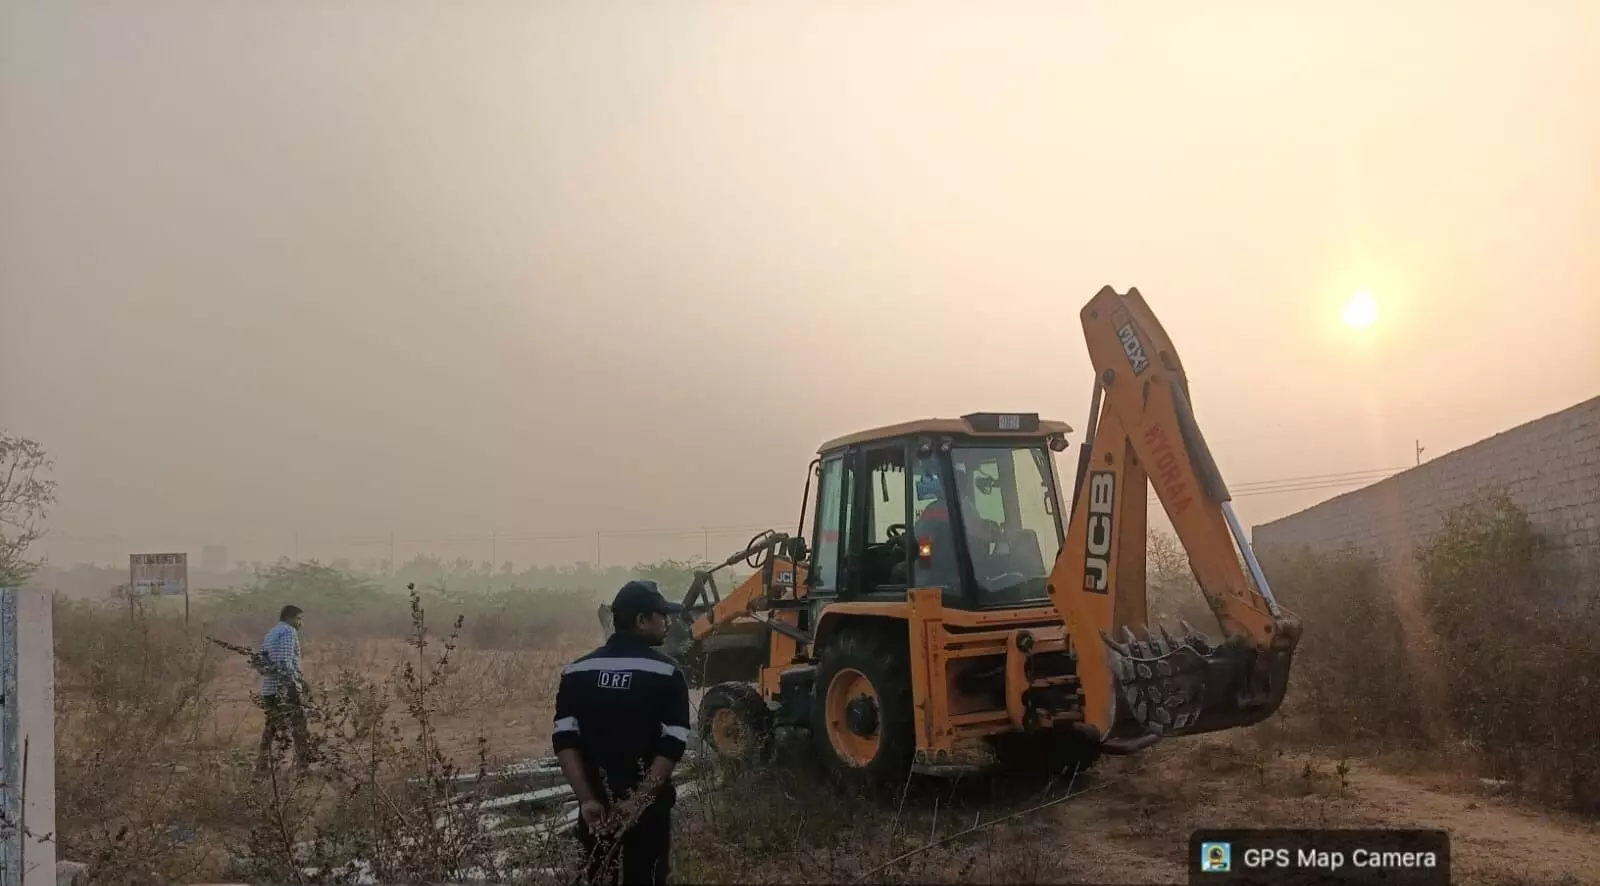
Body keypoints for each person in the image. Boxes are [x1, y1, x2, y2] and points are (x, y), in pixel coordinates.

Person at [553, 580, 692, 886]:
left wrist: (587, 799)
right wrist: (637, 802)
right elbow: (673, 743)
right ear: (642, 620)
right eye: (662, 615)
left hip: (595, 815)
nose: (668, 623)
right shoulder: (666, 673)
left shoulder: (576, 672)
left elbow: (565, 740)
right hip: (648, 814)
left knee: (598, 877)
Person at [255, 604, 313, 773]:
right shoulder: (288, 632)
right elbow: (284, 663)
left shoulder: (271, 633)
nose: (300, 623)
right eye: (299, 619)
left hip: (270, 690)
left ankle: (262, 766)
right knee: (299, 727)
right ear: (289, 618)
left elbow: (262, 661)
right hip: (285, 689)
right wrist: (296, 684)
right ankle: (303, 768)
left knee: (271, 728)